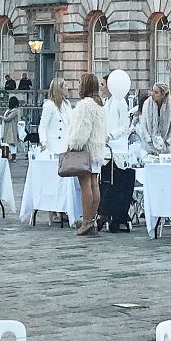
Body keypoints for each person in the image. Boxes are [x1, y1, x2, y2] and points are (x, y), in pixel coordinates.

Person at [64, 73, 107, 236]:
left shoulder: (84, 105)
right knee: (94, 184)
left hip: (85, 150)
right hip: (96, 149)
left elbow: (82, 130)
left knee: (85, 186)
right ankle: (92, 220)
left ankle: (86, 221)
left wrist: (72, 145)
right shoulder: (99, 104)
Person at [100, 76, 137, 232]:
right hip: (108, 149)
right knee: (108, 183)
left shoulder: (120, 102)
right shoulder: (107, 103)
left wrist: (111, 135)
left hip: (118, 148)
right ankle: (106, 212)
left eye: (103, 84)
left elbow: (124, 126)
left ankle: (116, 216)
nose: (101, 88)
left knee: (118, 184)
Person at [140, 83, 171, 157]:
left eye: (156, 92)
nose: (152, 94)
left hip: (166, 145)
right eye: (153, 91)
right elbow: (143, 123)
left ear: (162, 95)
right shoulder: (147, 103)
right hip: (149, 145)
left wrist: (168, 141)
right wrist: (148, 139)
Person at [37, 79, 69, 156]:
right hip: (53, 148)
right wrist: (43, 142)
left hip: (66, 147)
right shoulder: (49, 105)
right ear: (59, 89)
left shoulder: (67, 104)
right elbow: (42, 126)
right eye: (65, 85)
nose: (68, 88)